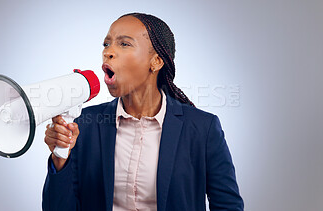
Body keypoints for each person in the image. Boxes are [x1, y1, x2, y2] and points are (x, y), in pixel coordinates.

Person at [42, 12, 244, 211]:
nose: (108, 51)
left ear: (156, 62)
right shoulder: (83, 124)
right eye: (106, 44)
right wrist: (61, 158)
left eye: (124, 44)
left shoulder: (202, 128)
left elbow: (228, 206)